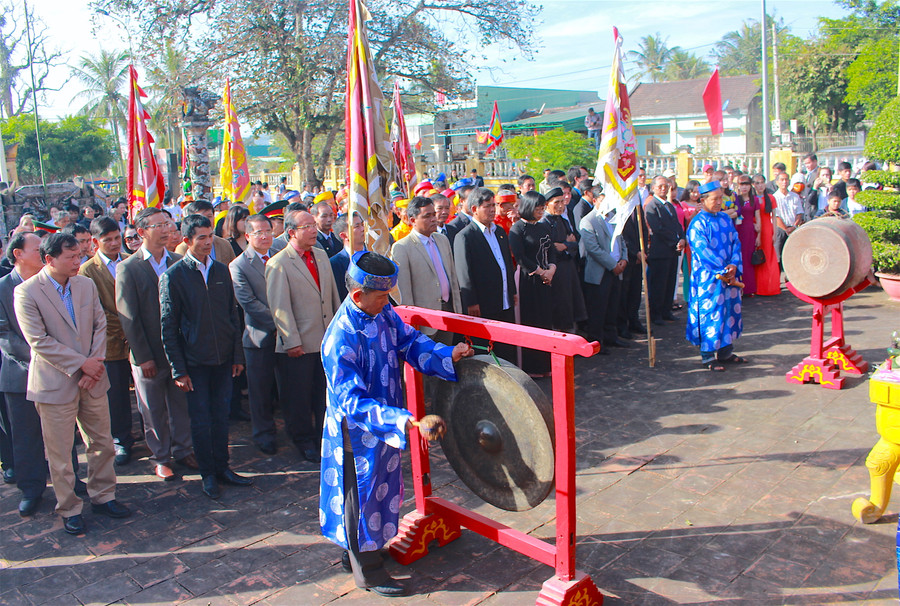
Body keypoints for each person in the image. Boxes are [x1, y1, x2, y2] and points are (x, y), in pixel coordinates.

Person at [319, 250, 473, 597]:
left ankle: (361, 552)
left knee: (379, 491)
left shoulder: (383, 312)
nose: (388, 302)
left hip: (388, 422)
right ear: (357, 296)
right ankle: (368, 571)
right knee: (359, 499)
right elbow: (351, 402)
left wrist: (447, 354)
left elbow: (409, 341)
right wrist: (401, 420)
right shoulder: (340, 337)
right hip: (358, 432)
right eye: (381, 296)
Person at [15, 233, 131, 534]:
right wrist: (82, 364)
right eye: (70, 257)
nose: (78, 261)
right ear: (49, 259)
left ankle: (104, 495)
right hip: (55, 383)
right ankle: (69, 507)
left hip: (93, 378)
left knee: (101, 443)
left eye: (79, 255)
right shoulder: (27, 292)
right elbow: (39, 341)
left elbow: (99, 324)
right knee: (61, 452)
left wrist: (95, 363)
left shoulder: (85, 284)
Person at [160, 214, 250, 499]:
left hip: (223, 360)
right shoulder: (174, 276)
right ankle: (208, 473)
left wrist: (237, 355)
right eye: (201, 238)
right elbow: (168, 326)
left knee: (221, 417)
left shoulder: (221, 271)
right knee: (201, 421)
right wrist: (178, 369)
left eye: (211, 236)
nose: (208, 242)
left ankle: (223, 467)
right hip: (194, 363)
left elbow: (232, 316)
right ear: (187, 241)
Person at [0, 232, 83, 517]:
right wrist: (46, 358)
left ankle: (72, 482)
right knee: (26, 436)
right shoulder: (4, 288)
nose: (43, 252)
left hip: (61, 371)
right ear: (18, 254)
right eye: (36, 249)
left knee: (63, 433)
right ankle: (31, 488)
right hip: (21, 375)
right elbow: (6, 336)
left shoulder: (54, 283)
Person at [116, 208, 196, 481]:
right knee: (152, 409)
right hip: (148, 351)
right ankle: (161, 457)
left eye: (167, 223)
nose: (166, 229)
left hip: (177, 350)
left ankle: (184, 449)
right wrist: (143, 356)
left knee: (180, 404)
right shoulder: (129, 268)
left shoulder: (179, 261)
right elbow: (128, 316)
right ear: (141, 232)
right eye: (158, 225)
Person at [265, 210, 341, 463]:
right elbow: (280, 308)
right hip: (299, 344)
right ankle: (302, 440)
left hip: (324, 338)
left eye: (313, 225)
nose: (313, 230)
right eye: (306, 226)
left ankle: (323, 436)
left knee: (322, 393)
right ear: (291, 232)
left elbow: (332, 296)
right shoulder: (279, 263)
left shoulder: (321, 255)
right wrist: (291, 341)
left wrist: (336, 330)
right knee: (298, 396)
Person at [79, 217, 134, 465]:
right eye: (107, 240)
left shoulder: (131, 261)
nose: (114, 243)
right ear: (95, 242)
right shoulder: (88, 271)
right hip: (110, 343)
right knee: (117, 396)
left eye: (116, 238)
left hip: (138, 340)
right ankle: (121, 440)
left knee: (147, 392)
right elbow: (96, 312)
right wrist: (125, 329)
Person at [229, 214, 280, 455]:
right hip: (259, 336)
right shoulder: (239, 265)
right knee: (260, 392)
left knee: (288, 387)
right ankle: (263, 434)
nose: (265, 236)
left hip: (289, 336)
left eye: (268, 231)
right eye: (259, 233)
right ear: (248, 236)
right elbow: (249, 303)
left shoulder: (280, 254)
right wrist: (282, 323)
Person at [685, 181, 745, 371]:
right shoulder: (697, 224)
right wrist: (723, 269)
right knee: (710, 314)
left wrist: (734, 264)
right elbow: (703, 251)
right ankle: (708, 356)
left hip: (729, 275)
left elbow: (736, 242)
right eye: (715, 199)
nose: (720, 202)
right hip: (709, 279)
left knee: (728, 312)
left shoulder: (725, 219)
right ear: (703, 200)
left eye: (721, 198)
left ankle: (726, 352)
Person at [453, 187, 517, 362]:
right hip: (483, 303)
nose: (492, 210)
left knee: (506, 344)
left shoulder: (499, 232)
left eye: (493, 205)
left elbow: (506, 264)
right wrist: (471, 302)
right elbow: (464, 273)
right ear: (474, 209)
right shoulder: (465, 236)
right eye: (487, 206)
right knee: (486, 347)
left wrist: (512, 291)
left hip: (504, 299)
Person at [390, 197, 461, 345]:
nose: (433, 219)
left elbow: (452, 278)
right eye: (427, 216)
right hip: (424, 321)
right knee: (426, 358)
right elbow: (405, 292)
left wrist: (458, 312)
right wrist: (412, 323)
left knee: (448, 356)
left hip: (448, 313)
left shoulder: (442, 240)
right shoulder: (402, 247)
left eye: (433, 214)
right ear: (413, 220)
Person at [509, 192, 556, 375]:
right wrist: (541, 271)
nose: (541, 211)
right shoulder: (517, 228)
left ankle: (545, 365)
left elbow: (551, 251)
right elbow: (520, 257)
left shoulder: (544, 226)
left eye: (543, 208)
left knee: (545, 321)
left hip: (546, 279)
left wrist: (551, 269)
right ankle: (531, 367)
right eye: (538, 208)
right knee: (530, 321)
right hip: (527, 279)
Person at [580, 190, 628, 352]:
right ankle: (596, 342)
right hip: (600, 272)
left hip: (617, 270)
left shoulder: (614, 217)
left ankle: (611, 337)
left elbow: (622, 241)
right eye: (603, 200)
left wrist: (624, 259)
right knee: (598, 309)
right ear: (594, 201)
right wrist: (612, 264)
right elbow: (593, 248)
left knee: (613, 306)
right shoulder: (588, 220)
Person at [541, 187, 586, 332]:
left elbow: (575, 241)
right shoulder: (544, 223)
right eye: (556, 202)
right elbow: (550, 247)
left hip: (568, 268)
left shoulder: (562, 219)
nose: (561, 206)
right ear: (547, 204)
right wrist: (566, 244)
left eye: (562, 202)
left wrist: (565, 245)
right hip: (555, 271)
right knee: (559, 307)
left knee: (570, 305)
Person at [645, 176, 685, 326]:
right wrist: (675, 241)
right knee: (658, 285)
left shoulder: (669, 205)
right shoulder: (652, 206)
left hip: (673, 251)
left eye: (666, 186)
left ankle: (666, 311)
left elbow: (677, 225)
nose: (664, 188)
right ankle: (656, 314)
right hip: (660, 252)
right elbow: (658, 229)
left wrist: (682, 238)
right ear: (653, 188)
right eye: (660, 186)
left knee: (670, 282)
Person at [175, 201, 237, 265]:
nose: (206, 220)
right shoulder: (182, 249)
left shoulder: (224, 244)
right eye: (201, 217)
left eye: (209, 216)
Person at [751, 174, 781, 296]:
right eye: (757, 183)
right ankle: (758, 287)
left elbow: (774, 217)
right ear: (753, 185)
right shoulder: (751, 199)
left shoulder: (771, 198)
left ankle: (771, 286)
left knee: (769, 257)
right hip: (756, 229)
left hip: (768, 229)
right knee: (757, 257)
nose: (760, 185)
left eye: (762, 182)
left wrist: (774, 232)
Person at [732, 176, 761, 296]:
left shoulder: (755, 200)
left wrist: (759, 235)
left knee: (748, 259)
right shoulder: (735, 199)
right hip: (738, 230)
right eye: (741, 184)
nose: (744, 187)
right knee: (738, 258)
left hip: (749, 231)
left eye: (746, 184)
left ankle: (749, 288)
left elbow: (758, 218)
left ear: (750, 186)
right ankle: (738, 287)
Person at [330, 211, 366, 300]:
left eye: (362, 224)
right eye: (357, 226)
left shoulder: (374, 255)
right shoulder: (335, 263)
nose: (363, 229)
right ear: (343, 235)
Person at [677, 181, 702, 305]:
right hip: (689, 239)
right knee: (688, 268)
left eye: (698, 192)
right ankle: (689, 295)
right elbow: (686, 221)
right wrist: (695, 212)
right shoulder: (683, 204)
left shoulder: (702, 203)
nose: (695, 194)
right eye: (693, 192)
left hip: (701, 240)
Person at [772, 171, 804, 265]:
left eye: (786, 179)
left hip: (793, 229)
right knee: (778, 256)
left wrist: (794, 226)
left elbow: (799, 213)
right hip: (780, 230)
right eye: (782, 180)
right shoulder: (774, 197)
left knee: (793, 255)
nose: (784, 182)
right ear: (777, 182)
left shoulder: (795, 196)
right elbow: (775, 216)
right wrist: (786, 229)